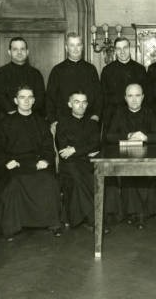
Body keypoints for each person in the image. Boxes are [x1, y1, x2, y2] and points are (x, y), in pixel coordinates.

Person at [0, 86, 62, 240]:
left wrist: (44, 160)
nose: (26, 101)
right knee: (13, 184)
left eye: (30, 97)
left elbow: (48, 148)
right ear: (16, 100)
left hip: (36, 163)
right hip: (14, 164)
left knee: (49, 182)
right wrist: (6, 162)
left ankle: (51, 222)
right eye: (22, 97)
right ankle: (11, 226)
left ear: (34, 101)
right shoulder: (5, 123)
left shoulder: (42, 123)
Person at [106, 83, 156, 229]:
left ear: (143, 97)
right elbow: (109, 136)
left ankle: (141, 214)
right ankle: (134, 213)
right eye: (130, 96)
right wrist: (128, 135)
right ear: (125, 98)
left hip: (146, 157)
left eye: (137, 95)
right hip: (126, 157)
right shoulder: (119, 113)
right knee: (130, 175)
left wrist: (145, 137)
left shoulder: (149, 112)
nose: (134, 99)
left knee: (144, 174)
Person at [56, 91, 101, 229]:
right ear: (70, 104)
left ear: (87, 104)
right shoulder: (62, 124)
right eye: (77, 102)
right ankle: (95, 220)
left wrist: (74, 149)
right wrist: (85, 150)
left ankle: (78, 218)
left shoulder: (92, 124)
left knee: (86, 176)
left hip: (87, 162)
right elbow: (64, 151)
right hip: (69, 165)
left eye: (84, 102)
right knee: (77, 176)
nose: (81, 105)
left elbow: (96, 144)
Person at [46, 32, 102, 133]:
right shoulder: (57, 70)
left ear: (82, 47)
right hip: (63, 122)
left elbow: (98, 96)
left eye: (78, 45)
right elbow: (50, 98)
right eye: (72, 45)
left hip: (88, 121)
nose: (75, 49)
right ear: (66, 48)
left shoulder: (91, 69)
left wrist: (96, 115)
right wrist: (53, 120)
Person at [100, 37, 146, 136]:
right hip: (113, 119)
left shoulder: (140, 69)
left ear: (130, 48)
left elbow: (145, 96)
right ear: (115, 51)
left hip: (136, 117)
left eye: (125, 47)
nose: (122, 51)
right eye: (118, 48)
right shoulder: (107, 70)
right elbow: (103, 97)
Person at [0, 37, 46, 117]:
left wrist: (27, 112)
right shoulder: (1, 72)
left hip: (31, 117)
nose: (19, 52)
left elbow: (40, 97)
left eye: (22, 49)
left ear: (27, 52)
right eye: (15, 49)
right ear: (9, 52)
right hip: (9, 118)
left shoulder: (36, 73)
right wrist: (14, 113)